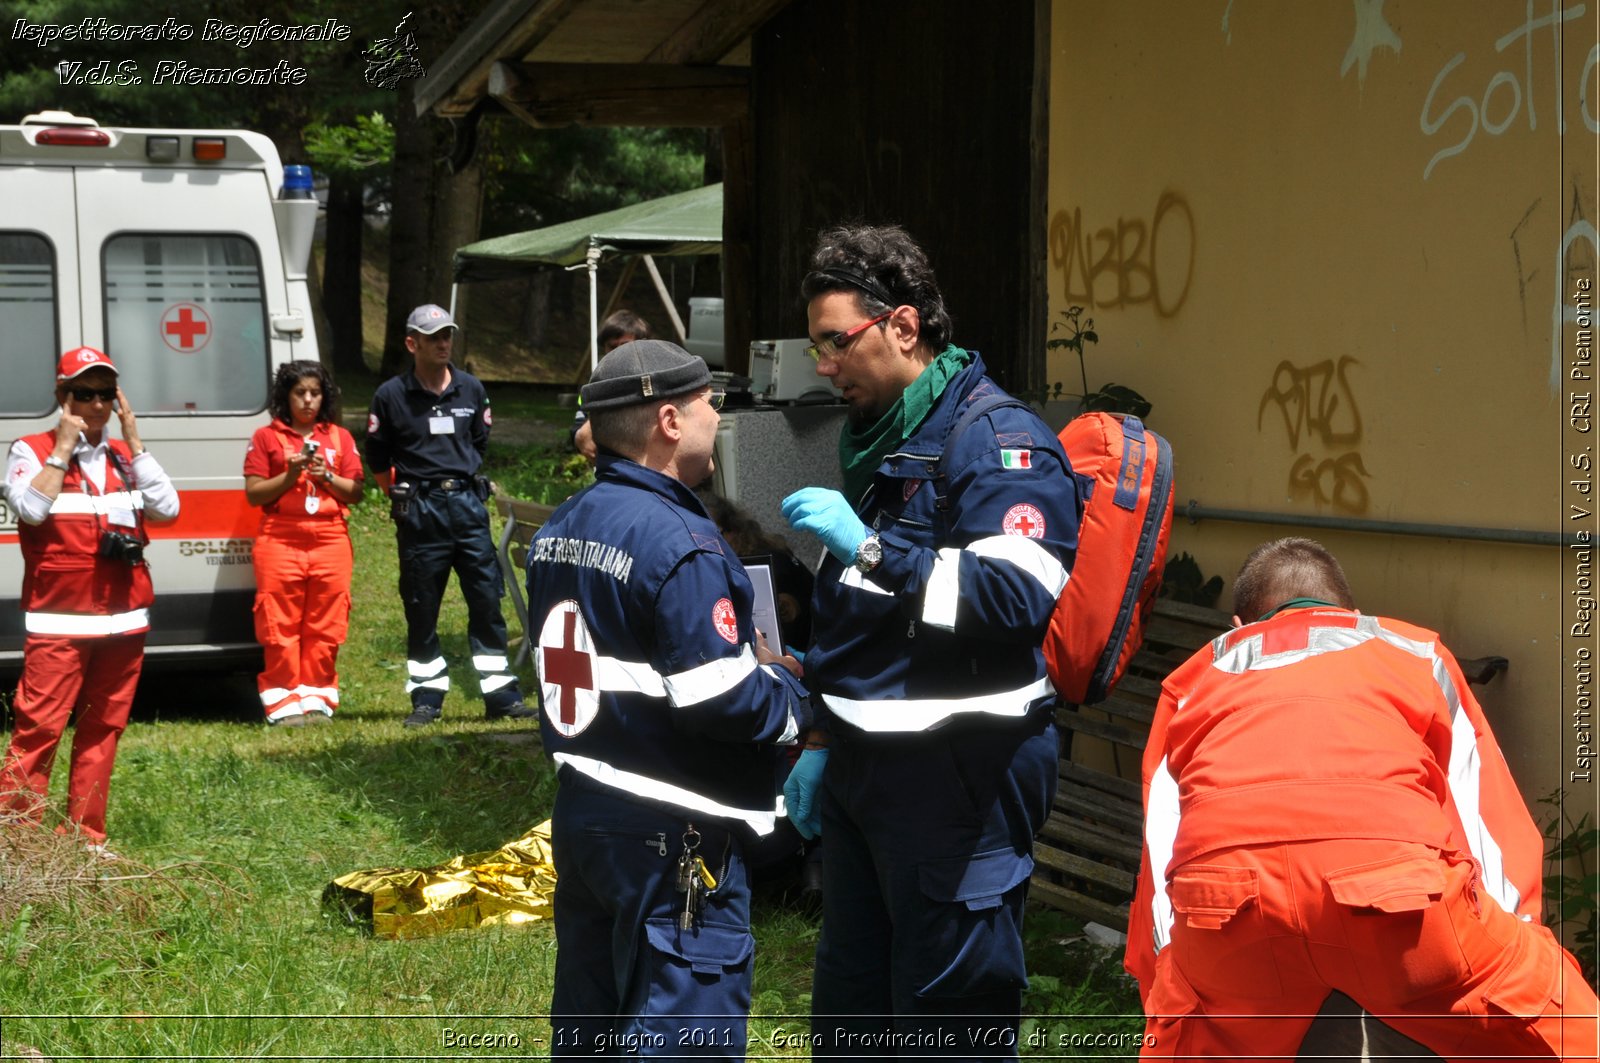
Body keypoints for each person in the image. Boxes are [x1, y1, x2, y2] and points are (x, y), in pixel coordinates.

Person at [779, 224, 1081, 1055]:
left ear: (902, 327)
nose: (825, 365)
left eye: (836, 342)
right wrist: (818, 735)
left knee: (948, 1026)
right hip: (862, 775)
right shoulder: (882, 438)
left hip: (958, 780)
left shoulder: (997, 440)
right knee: (852, 1014)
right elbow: (856, 616)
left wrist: (871, 549)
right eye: (816, 349)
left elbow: (1014, 596)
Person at [1124, 537, 1599, 1059]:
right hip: (1394, 898)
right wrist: (1513, 948)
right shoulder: (1416, 653)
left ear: (1238, 629)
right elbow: (1483, 819)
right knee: (1567, 1024)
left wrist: (1170, 989)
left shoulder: (1191, 683)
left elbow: (1163, 850)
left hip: (1227, 910)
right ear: (1349, 613)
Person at [526, 339, 811, 1057]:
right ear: (669, 420)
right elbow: (726, 702)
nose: (719, 414)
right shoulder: (682, 542)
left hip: (586, 810)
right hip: (674, 835)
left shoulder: (560, 527)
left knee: (592, 1019)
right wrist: (786, 686)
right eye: (710, 401)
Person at [1, 347, 179, 852]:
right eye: (84, 393)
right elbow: (31, 511)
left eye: (105, 394)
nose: (96, 404)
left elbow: (167, 509)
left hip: (123, 623)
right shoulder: (30, 450)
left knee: (103, 730)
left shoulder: (127, 459)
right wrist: (61, 448)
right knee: (38, 729)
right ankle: (18, 843)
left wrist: (137, 442)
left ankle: (85, 838)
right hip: (59, 622)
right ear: (62, 397)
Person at [364, 303, 533, 727]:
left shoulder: (471, 389)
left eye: (447, 335)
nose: (443, 343)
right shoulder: (391, 396)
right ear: (411, 343)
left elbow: (480, 441)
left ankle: (502, 698)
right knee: (422, 607)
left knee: (486, 603)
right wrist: (405, 496)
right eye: (433, 336)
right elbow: (378, 457)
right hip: (421, 513)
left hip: (467, 509)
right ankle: (427, 699)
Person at [243, 360, 364, 726]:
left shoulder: (339, 437)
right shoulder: (267, 437)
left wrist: (325, 476)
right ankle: (282, 701)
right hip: (281, 537)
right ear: (286, 396)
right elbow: (253, 494)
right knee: (279, 622)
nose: (308, 400)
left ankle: (317, 697)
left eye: (315, 393)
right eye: (300, 393)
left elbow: (355, 492)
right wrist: (290, 474)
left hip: (330, 539)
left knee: (326, 623)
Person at [572, 310, 654, 462]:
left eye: (624, 346)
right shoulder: (593, 385)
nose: (617, 353)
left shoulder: (657, 378)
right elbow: (577, 429)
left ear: (642, 345)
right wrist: (580, 436)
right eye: (612, 347)